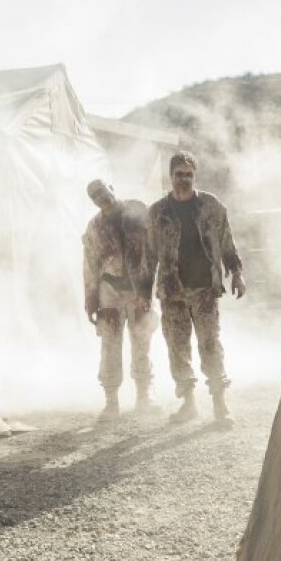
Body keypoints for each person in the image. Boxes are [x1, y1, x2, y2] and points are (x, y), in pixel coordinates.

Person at [148, 151, 246, 425]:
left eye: (189, 174)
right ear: (170, 177)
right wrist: (143, 294)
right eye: (179, 174)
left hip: (205, 289)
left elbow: (227, 242)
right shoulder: (157, 212)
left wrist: (237, 274)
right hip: (172, 292)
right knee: (177, 348)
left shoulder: (211, 206)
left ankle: (220, 405)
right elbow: (148, 256)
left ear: (194, 176)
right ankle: (189, 404)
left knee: (210, 344)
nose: (184, 179)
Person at [82, 179, 157, 421]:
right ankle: (111, 402)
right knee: (110, 345)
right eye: (95, 196)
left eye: (102, 192)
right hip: (110, 291)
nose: (100, 198)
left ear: (112, 188)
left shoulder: (137, 210)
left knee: (142, 341)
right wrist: (91, 300)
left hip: (138, 289)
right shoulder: (94, 227)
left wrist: (149, 289)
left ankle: (144, 396)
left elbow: (154, 247)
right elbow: (90, 265)